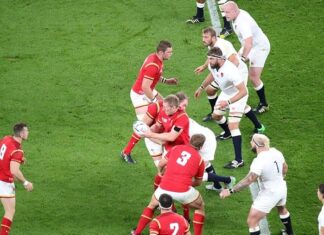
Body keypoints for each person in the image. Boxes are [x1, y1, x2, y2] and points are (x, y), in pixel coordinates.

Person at [195, 27, 265, 137]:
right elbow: (211, 57)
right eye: (203, 37)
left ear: (213, 37)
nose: (203, 39)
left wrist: (228, 77)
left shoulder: (222, 45)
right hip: (224, 73)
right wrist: (204, 67)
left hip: (237, 73)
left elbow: (235, 61)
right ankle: (216, 113)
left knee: (238, 100)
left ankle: (257, 126)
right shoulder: (212, 44)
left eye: (206, 37)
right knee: (210, 90)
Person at [220, 134, 294, 235]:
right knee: (281, 209)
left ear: (257, 145)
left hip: (270, 193)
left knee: (252, 221)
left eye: (251, 142)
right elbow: (285, 167)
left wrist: (230, 190)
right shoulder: (276, 152)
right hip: (281, 187)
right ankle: (289, 233)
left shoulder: (259, 161)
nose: (250, 144)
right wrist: (279, 178)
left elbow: (249, 180)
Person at [131, 134, 206, 235]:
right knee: (200, 207)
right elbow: (198, 182)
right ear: (201, 147)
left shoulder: (176, 148)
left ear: (189, 140)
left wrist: (161, 173)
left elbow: (161, 164)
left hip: (164, 187)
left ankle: (136, 232)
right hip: (183, 191)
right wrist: (186, 183)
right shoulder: (200, 160)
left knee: (151, 205)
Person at [195, 47, 256, 168]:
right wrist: (201, 88)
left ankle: (239, 160)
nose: (209, 61)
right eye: (208, 58)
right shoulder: (212, 65)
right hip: (227, 93)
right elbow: (212, 75)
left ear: (220, 58)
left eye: (211, 59)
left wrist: (228, 102)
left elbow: (243, 91)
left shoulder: (230, 70)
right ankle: (227, 133)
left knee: (234, 125)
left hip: (238, 96)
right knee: (216, 115)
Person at [175, 92, 235, 192]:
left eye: (186, 105)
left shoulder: (179, 115)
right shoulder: (176, 113)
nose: (185, 108)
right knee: (203, 165)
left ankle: (228, 180)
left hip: (205, 141)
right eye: (184, 105)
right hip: (200, 139)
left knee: (195, 172)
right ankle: (217, 186)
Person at [222, 1, 271, 114]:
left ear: (235, 10)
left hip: (259, 48)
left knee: (253, 77)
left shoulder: (242, 22)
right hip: (250, 45)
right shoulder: (238, 15)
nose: (225, 15)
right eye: (224, 12)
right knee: (234, 64)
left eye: (227, 12)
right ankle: (235, 95)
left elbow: (249, 43)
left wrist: (243, 58)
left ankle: (264, 104)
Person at [130, 40, 178, 121]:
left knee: (166, 108)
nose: (171, 54)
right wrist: (155, 102)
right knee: (144, 124)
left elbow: (154, 75)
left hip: (148, 90)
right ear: (161, 52)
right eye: (169, 52)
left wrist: (166, 81)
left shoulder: (155, 58)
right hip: (139, 95)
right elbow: (145, 87)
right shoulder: (153, 65)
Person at [0, 123, 33, 235]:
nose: (28, 133)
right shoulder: (17, 152)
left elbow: (4, 153)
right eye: (26, 131)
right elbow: (14, 172)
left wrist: (16, 159)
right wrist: (25, 182)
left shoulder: (6, 138)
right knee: (10, 211)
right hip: (4, 182)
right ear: (21, 133)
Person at [120, 99, 164, 164]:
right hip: (140, 95)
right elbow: (145, 88)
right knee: (142, 128)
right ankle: (126, 152)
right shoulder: (157, 107)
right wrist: (154, 99)